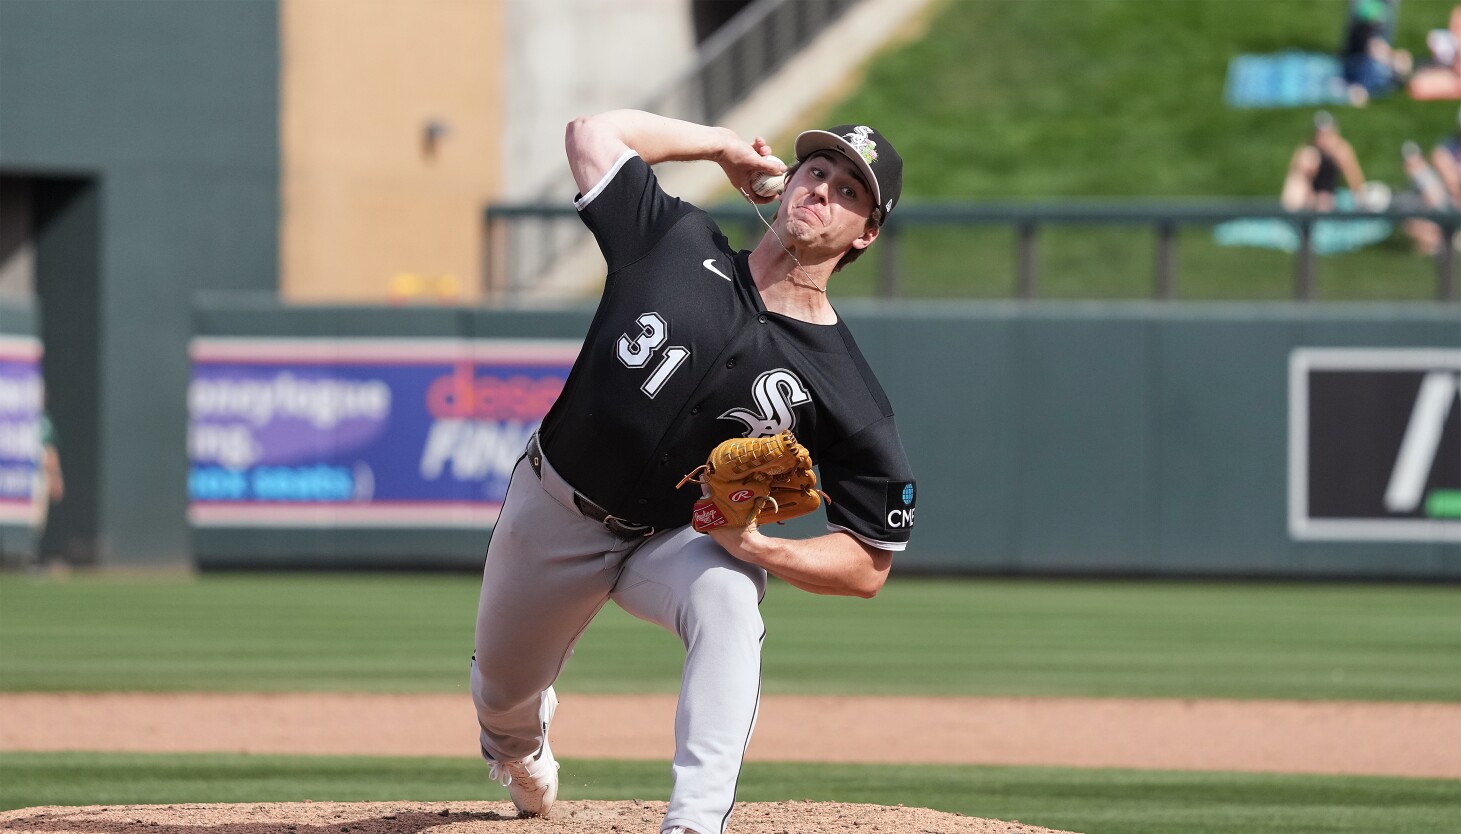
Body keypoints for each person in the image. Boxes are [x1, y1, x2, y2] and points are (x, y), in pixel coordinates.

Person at [468, 110, 917, 834]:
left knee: (733, 595)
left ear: (864, 233)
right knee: (502, 699)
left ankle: (695, 823)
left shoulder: (847, 390)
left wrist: (764, 549)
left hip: (673, 538)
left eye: (848, 192)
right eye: (815, 171)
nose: (821, 189)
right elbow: (590, 134)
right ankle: (521, 748)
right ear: (784, 182)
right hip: (556, 507)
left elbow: (868, 562)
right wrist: (717, 147)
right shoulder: (673, 240)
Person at [1281, 111, 1369, 212]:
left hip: (1331, 197)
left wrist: (1360, 198)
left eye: (1327, 134)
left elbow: (1355, 179)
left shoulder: (1341, 149)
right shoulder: (1308, 152)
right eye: (1320, 134)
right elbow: (1296, 189)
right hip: (1310, 201)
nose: (1324, 139)